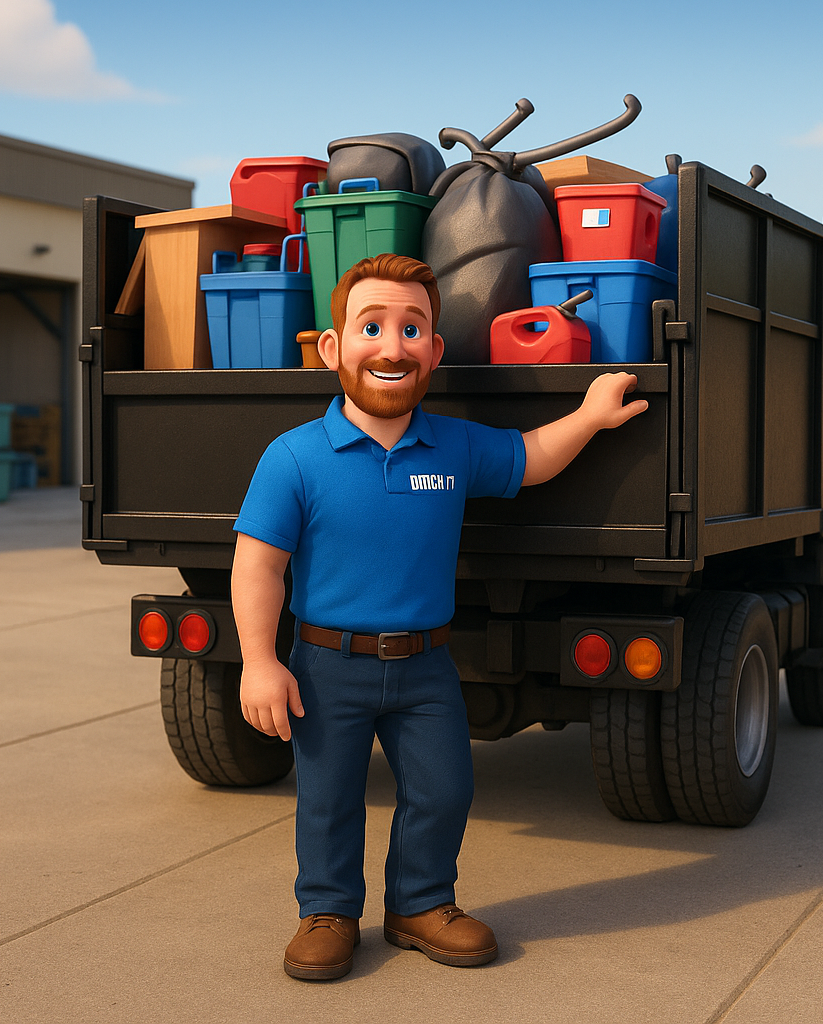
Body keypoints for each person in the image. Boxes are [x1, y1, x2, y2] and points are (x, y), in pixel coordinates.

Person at [231, 253, 647, 980]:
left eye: (412, 328)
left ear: (435, 350)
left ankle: (420, 903)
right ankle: (327, 911)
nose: (392, 347)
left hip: (426, 666)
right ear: (334, 347)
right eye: (371, 326)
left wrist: (588, 416)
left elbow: (530, 458)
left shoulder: (452, 446)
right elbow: (259, 565)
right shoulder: (292, 458)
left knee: (445, 788)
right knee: (328, 799)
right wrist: (261, 661)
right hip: (327, 666)